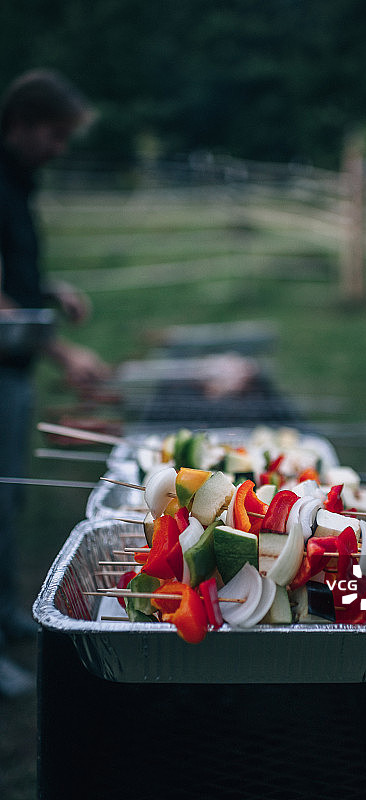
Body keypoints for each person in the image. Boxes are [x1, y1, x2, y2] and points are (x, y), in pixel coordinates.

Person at [0, 69, 110, 696]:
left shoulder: (18, 180)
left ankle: (7, 613)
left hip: (12, 373)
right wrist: (64, 352)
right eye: (56, 134)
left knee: (8, 503)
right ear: (22, 124)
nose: (60, 148)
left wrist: (47, 293)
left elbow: (12, 278)